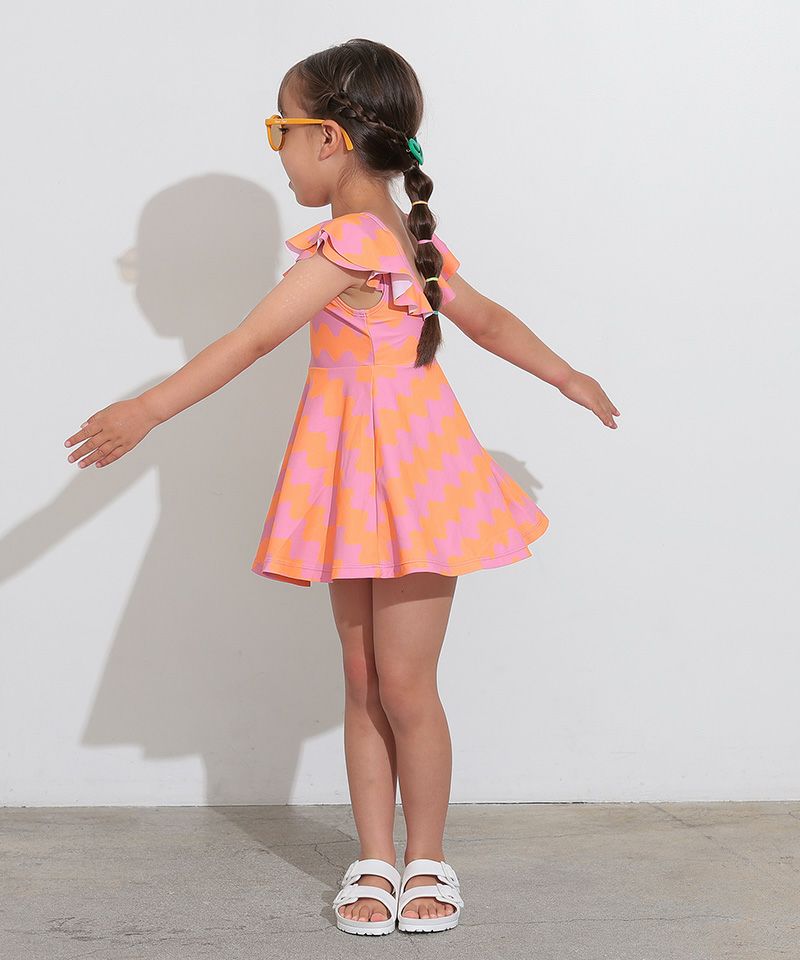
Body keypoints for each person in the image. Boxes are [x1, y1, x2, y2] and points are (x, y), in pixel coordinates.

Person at [63, 37, 619, 937]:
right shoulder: (398, 235)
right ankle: (375, 858)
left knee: (403, 684)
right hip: (358, 481)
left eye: (279, 128)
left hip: (414, 480)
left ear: (327, 138)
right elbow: (481, 319)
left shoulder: (357, 240)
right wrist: (564, 376)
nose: (278, 149)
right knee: (364, 677)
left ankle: (426, 858)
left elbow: (254, 340)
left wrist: (148, 410)